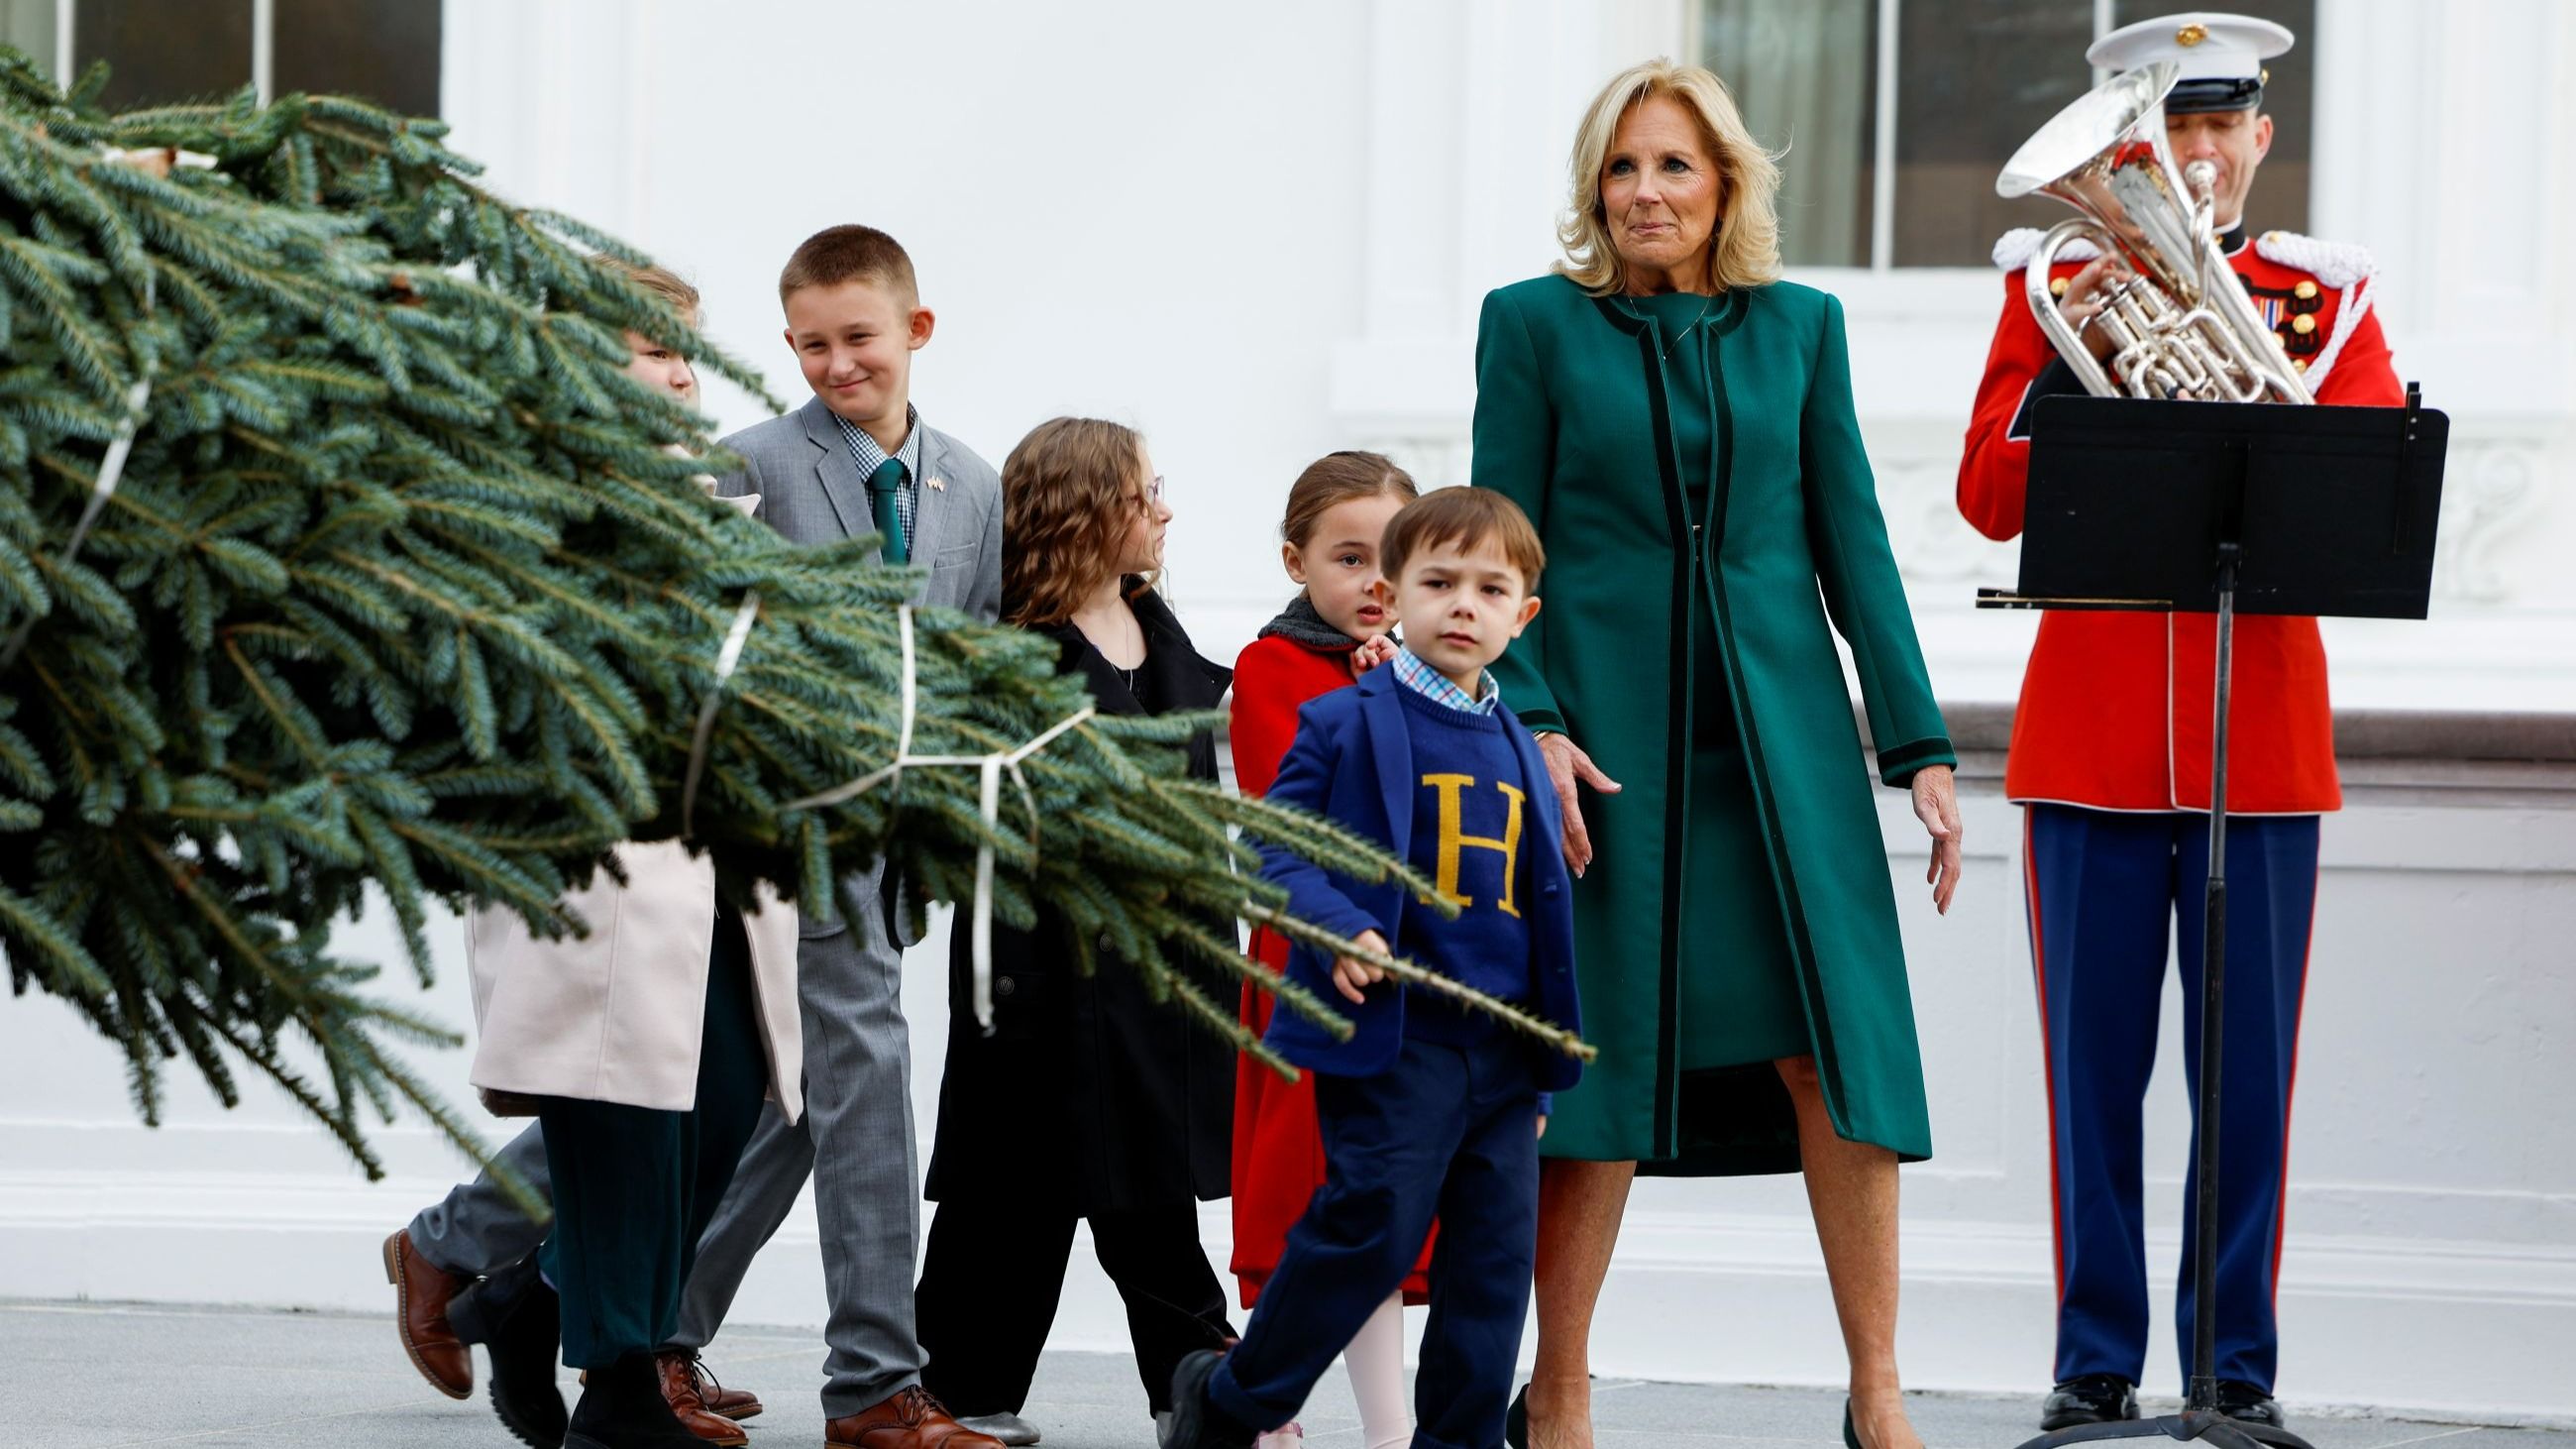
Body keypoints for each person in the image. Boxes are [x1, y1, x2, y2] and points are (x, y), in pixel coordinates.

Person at [384, 228, 1011, 1449]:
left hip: (868, 839)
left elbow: (968, 654)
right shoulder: (746, 467)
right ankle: (866, 1381)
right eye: (813, 343)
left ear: (916, 331)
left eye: (860, 337)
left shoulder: (966, 486)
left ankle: (520, 1274)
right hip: (765, 833)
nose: (838, 363)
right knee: (800, 1085)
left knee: (760, 1091)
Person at [1471, 59, 1964, 1449]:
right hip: (1605, 756)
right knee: (1600, 1061)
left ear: (1725, 182)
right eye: (1621, 168)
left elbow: (1852, 538)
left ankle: (1877, 1388)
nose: (1645, 191)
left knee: (1831, 1054)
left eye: (1672, 165)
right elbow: (1498, 547)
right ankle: (1558, 1390)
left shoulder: (1802, 328)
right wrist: (1535, 719)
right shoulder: (1530, 326)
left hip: (1781, 749)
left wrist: (1916, 743)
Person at [1956, 13, 2403, 1433]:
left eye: (2217, 127)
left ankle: (2233, 1369)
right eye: (2172, 128)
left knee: (2246, 1086)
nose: (2194, 155)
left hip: (2257, 749)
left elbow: (2365, 498)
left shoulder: (2323, 301)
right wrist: (2072, 365)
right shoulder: (2052, 290)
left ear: (2260, 138)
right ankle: (2093, 1361)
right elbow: (1987, 496)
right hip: (2086, 743)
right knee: (2089, 1081)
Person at [1160, 487, 1582, 1449]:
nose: (1463, 605)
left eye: (1490, 589)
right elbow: (1275, 849)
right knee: (1367, 1233)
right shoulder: (1346, 720)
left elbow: (1538, 912)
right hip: (1397, 1041)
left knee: (1490, 1268)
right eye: (1438, 583)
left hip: (1503, 1056)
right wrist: (1340, 926)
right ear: (1396, 592)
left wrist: (1542, 1064)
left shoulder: (1520, 745)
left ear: (1522, 615)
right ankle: (1234, 1399)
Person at [912, 417, 1238, 1443]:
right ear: (1089, 511)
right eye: (1145, 494)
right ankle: (966, 1388)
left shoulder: (1160, 635)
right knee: (1012, 1192)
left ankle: (1192, 1385)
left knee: (1140, 1179)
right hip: (1041, 971)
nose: (1165, 512)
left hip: (1162, 970)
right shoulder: (1013, 654)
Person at [1226, 452, 1416, 1449]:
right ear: (1296, 563)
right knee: (1308, 1204)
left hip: (1403, 976)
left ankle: (1391, 1431)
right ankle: (1270, 1417)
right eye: (1349, 558)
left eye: (1394, 558)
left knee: (1381, 1211)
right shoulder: (1270, 667)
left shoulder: (1430, 670)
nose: (1375, 582)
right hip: (1310, 968)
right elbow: (1294, 822)